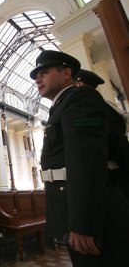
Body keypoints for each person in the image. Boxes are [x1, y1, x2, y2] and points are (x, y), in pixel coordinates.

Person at [30, 50, 119, 266]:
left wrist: (83, 223)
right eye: (36, 76)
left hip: (87, 215)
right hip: (68, 207)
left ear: (67, 72)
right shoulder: (61, 106)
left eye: (44, 72)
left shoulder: (80, 98)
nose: (38, 79)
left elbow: (87, 161)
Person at [75, 69, 129, 200]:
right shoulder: (99, 105)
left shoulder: (95, 106)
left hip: (113, 179)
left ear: (79, 85)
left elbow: (117, 142)